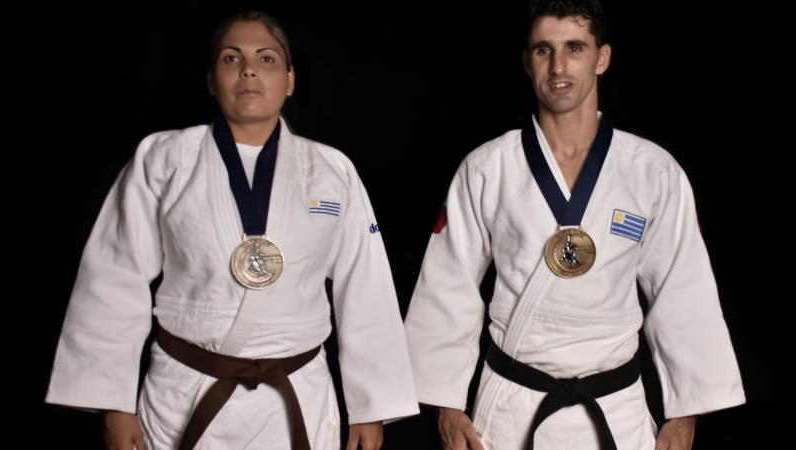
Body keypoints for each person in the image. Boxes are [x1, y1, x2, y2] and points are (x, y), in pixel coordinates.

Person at [46, 10, 418, 450]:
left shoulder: (331, 170)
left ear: (290, 79)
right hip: (182, 395)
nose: (248, 70)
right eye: (230, 58)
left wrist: (370, 408)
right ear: (210, 78)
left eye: (266, 59)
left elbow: (366, 287)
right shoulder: (163, 160)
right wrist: (114, 405)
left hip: (298, 397)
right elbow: (113, 278)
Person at [403, 1, 745, 449]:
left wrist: (684, 416)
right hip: (511, 408)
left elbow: (684, 292)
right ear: (527, 62)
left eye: (575, 48)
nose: (559, 66)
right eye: (543, 50)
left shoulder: (652, 171)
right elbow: (449, 287)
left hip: (616, 410)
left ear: (602, 57)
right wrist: (447, 405)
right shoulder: (487, 168)